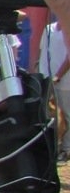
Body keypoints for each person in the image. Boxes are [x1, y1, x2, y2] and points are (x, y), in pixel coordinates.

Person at [37, 18, 70, 162]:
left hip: (65, 81)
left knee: (68, 115)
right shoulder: (49, 29)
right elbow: (42, 51)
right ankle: (52, 148)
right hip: (46, 79)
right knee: (48, 115)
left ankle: (67, 149)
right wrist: (38, 72)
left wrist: (58, 76)